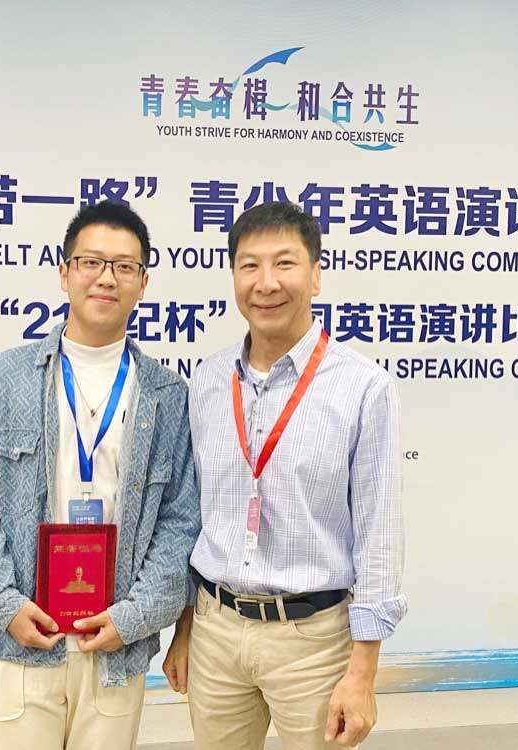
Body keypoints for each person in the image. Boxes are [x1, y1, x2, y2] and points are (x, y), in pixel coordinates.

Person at [0, 200, 200, 750]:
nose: (106, 277)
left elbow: (181, 519)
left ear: (143, 283)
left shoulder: (167, 396)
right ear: (64, 273)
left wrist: (133, 617)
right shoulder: (2, 379)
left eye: (124, 266)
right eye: (91, 262)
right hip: (20, 642)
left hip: (114, 649)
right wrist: (5, 603)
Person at [164, 201, 406, 749]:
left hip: (313, 642)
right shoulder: (208, 380)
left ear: (316, 275)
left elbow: (379, 532)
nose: (266, 283)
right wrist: (185, 627)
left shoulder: (363, 387)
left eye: (285, 263)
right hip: (215, 630)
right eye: (249, 266)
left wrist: (363, 673)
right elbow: (191, 513)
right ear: (233, 277)